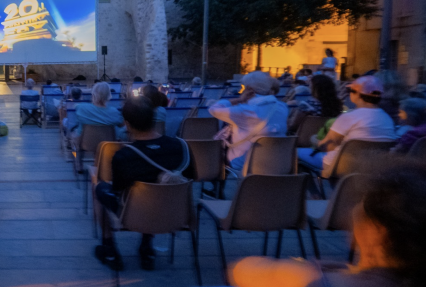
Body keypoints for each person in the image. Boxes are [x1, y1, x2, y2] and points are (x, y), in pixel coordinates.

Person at [190, 163, 426, 287]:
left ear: (378, 231)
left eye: (359, 213)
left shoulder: (317, 285)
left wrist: (307, 268)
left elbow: (241, 270)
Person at [94, 96, 189, 271]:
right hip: (175, 213)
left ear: (127, 124)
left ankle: (109, 248)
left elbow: (118, 190)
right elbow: (189, 179)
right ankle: (147, 246)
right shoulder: (181, 147)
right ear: (154, 120)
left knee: (100, 187)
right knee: (156, 190)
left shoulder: (124, 156)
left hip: (134, 215)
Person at [298, 76, 396, 177]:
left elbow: (326, 146)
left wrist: (313, 139)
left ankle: (308, 191)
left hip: (339, 166)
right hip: (370, 168)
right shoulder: (387, 119)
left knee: (296, 153)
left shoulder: (349, 117)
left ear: (356, 94)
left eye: (350, 90)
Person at [209, 71, 288, 170]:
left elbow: (214, 109)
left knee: (214, 152)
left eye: (243, 87)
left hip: (245, 162)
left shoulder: (246, 111)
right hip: (278, 161)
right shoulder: (282, 107)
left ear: (249, 89)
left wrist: (240, 100)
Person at [74, 82, 126, 156]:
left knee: (75, 142)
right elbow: (121, 124)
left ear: (93, 94)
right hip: (108, 144)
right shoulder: (114, 112)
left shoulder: (82, 108)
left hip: (87, 143)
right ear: (108, 95)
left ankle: (78, 164)